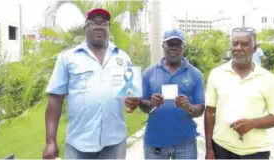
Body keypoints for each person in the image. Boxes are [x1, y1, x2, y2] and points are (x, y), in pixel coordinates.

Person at [43, 8, 137, 159]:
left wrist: (134, 101)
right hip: (79, 144)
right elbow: (55, 100)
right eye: (93, 23)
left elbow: (131, 94)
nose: (99, 27)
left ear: (109, 29)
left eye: (104, 23)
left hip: (114, 142)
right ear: (85, 28)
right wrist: (50, 141)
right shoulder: (68, 58)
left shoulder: (123, 57)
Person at [204, 27, 274, 159]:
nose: (238, 48)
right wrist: (209, 149)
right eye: (235, 44)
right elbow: (209, 111)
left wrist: (254, 123)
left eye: (244, 44)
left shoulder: (268, 78)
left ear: (254, 48)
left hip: (256, 152)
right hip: (222, 148)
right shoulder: (217, 74)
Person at [128, 28, 205, 159]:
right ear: (163, 46)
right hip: (155, 141)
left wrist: (189, 107)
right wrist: (151, 104)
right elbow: (143, 105)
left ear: (183, 47)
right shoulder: (149, 73)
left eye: (177, 44)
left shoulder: (195, 74)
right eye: (170, 44)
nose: (173, 48)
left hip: (185, 142)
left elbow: (200, 109)